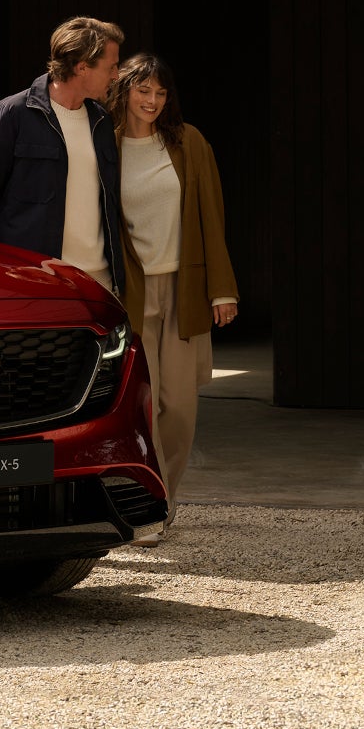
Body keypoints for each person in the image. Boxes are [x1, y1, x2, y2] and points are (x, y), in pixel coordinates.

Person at [107, 54, 239, 544]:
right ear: (124, 90)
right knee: (142, 406)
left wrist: (222, 289)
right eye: (143, 90)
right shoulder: (105, 145)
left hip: (185, 290)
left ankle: (168, 496)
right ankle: (150, 507)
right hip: (133, 292)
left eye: (160, 93)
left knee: (179, 408)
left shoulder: (188, 142)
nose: (152, 101)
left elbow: (212, 216)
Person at [0, 17, 128, 295]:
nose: (116, 75)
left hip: (100, 284)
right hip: (35, 284)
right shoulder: (11, 115)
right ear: (82, 67)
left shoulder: (101, 121)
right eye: (111, 66)